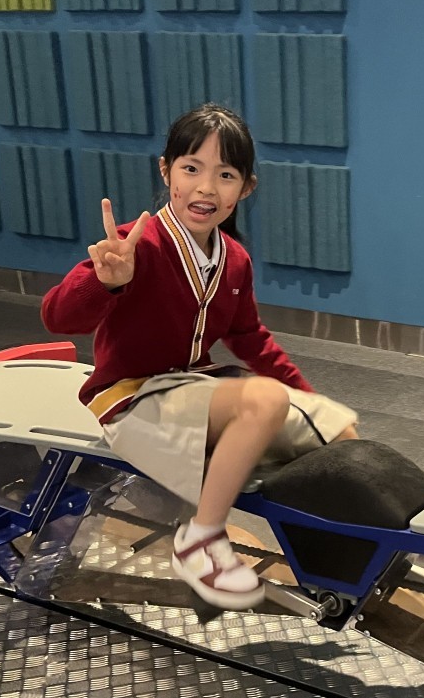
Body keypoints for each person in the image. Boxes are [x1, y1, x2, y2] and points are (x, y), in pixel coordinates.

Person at [42, 103, 359, 611]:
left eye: (225, 175)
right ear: (166, 171)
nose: (206, 188)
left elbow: (249, 336)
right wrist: (104, 282)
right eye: (191, 168)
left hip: (193, 388)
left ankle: (375, 547)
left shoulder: (233, 259)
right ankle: (200, 540)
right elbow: (58, 317)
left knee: (337, 426)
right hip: (130, 398)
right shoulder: (135, 246)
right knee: (263, 400)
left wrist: (307, 398)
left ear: (246, 188)